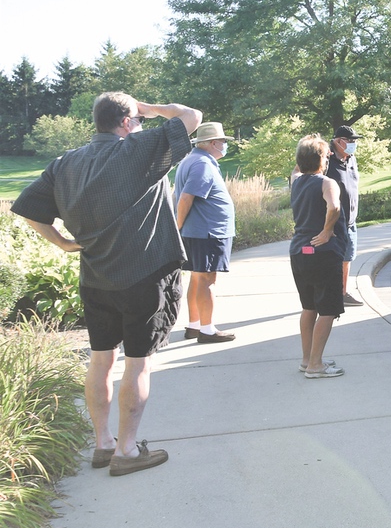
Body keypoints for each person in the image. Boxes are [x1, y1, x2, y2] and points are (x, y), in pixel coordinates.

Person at [11, 92, 201, 475]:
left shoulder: (67, 162)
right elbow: (191, 116)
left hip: (95, 279)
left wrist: (63, 243)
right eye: (138, 119)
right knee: (138, 364)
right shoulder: (136, 148)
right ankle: (127, 451)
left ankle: (103, 445)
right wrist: (147, 108)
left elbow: (28, 207)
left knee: (101, 359)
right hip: (143, 276)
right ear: (127, 122)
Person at [174, 121, 237, 343]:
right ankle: (207, 330)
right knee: (208, 279)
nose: (224, 145)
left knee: (198, 277)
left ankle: (194, 325)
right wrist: (178, 226)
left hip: (200, 231)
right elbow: (186, 198)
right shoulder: (202, 164)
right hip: (207, 232)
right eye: (222, 141)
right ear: (212, 143)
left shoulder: (193, 160)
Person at [290, 134, 346, 378]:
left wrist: (309, 145)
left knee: (309, 306)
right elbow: (334, 207)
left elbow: (298, 165)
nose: (328, 158)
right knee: (328, 310)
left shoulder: (296, 180)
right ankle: (316, 366)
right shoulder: (327, 183)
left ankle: (307, 360)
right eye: (326, 155)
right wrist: (327, 231)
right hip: (322, 251)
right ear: (320, 159)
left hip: (299, 249)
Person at [327, 125, 362, 306]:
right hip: (334, 221)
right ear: (338, 141)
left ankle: (342, 293)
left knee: (347, 259)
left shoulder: (351, 159)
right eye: (350, 141)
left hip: (350, 220)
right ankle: (330, 294)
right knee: (333, 260)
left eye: (354, 141)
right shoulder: (327, 161)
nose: (353, 144)